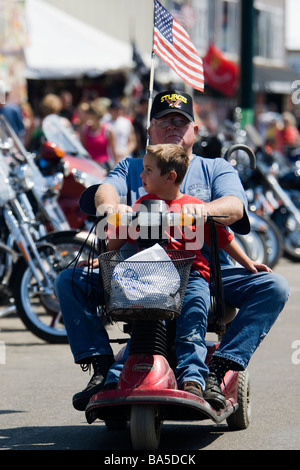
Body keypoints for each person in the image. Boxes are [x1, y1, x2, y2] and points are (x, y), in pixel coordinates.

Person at [55, 90, 289, 411]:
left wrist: (201, 212)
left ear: (195, 130)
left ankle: (217, 369)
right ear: (149, 130)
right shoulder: (135, 166)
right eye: (164, 121)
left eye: (182, 121)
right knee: (69, 280)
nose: (173, 127)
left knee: (273, 287)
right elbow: (106, 190)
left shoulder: (215, 167)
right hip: (136, 273)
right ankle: (101, 368)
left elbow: (234, 207)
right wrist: (111, 210)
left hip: (203, 272)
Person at [102, 143, 272, 402]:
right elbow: (116, 242)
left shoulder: (195, 207)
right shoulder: (141, 206)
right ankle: (116, 377)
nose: (141, 176)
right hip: (150, 276)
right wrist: (119, 219)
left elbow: (224, 238)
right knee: (142, 329)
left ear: (170, 177)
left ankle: (193, 375)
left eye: (148, 170)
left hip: (191, 275)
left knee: (193, 320)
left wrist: (248, 263)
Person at [80, 99, 118, 171]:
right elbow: (82, 149)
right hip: (89, 165)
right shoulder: (85, 129)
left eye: (89, 112)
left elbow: (113, 152)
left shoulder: (108, 130)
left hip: (104, 167)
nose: (87, 115)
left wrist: (116, 167)